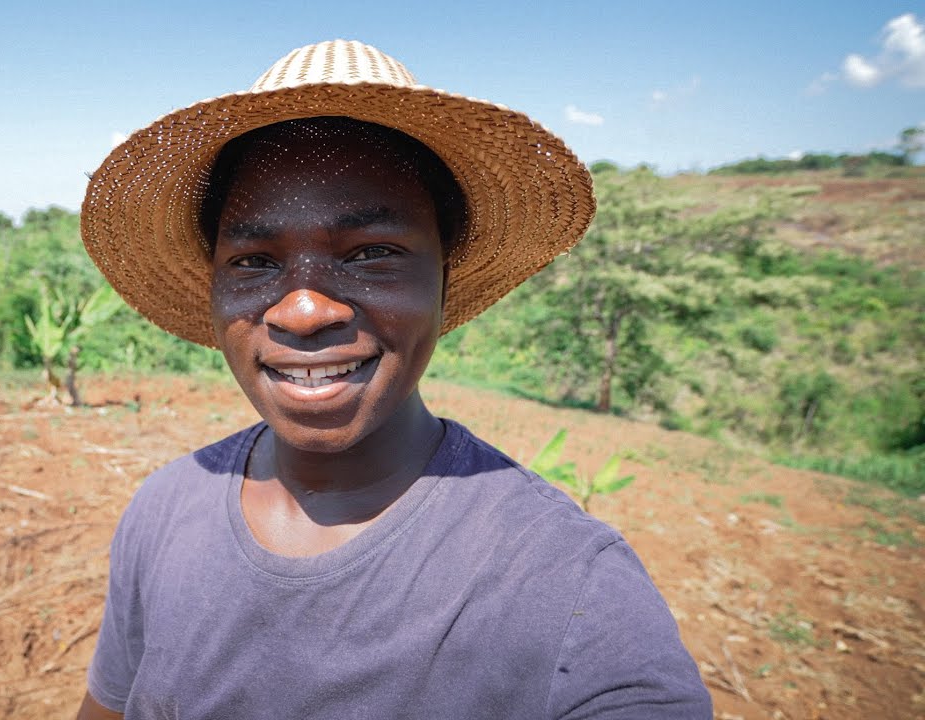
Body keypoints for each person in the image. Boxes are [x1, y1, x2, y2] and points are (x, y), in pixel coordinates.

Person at [76, 39, 711, 719]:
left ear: (445, 278)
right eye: (254, 260)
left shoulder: (571, 592)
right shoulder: (165, 511)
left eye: (372, 253)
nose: (303, 311)